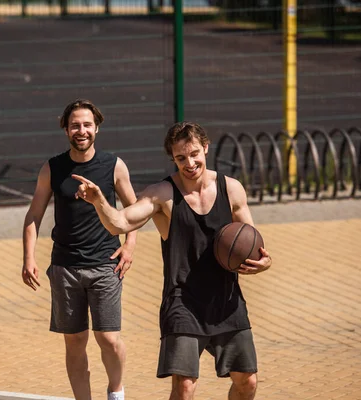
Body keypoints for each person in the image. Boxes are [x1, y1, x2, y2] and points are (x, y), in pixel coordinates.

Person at [72, 121, 272, 400]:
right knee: (185, 386)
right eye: (180, 158)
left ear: (205, 147)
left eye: (193, 154)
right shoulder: (162, 194)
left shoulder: (232, 189)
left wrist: (264, 263)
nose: (189, 163)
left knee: (247, 382)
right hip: (183, 303)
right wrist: (99, 202)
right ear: (173, 159)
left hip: (227, 301)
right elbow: (119, 223)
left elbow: (254, 244)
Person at [21, 99, 138, 400]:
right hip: (65, 268)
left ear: (96, 127)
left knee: (108, 339)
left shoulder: (114, 165)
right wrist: (29, 258)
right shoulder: (53, 168)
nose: (81, 130)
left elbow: (133, 211)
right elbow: (33, 215)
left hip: (105, 265)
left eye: (87, 124)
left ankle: (116, 391)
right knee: (74, 341)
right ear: (66, 129)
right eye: (75, 125)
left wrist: (129, 247)